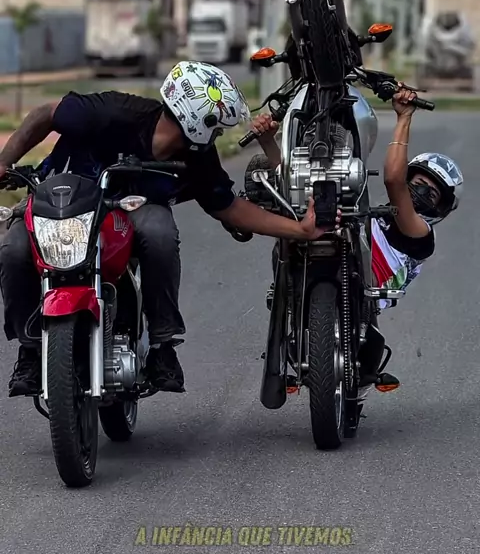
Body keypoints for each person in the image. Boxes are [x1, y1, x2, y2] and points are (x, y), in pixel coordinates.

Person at [0, 61, 338, 399]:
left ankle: (163, 346)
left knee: (159, 231)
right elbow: (45, 114)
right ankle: (29, 351)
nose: (218, 136)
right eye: (217, 128)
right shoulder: (111, 112)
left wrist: (301, 230)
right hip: (63, 201)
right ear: (199, 121)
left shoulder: (197, 158)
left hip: (128, 212)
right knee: (13, 248)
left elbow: (231, 208)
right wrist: (4, 162)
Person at [250, 84, 463, 376]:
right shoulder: (363, 215)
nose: (421, 192)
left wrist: (404, 117)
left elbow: (393, 180)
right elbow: (293, 189)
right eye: (418, 183)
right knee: (301, 211)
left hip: (362, 301)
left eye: (432, 193)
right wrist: (267, 141)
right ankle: (286, 291)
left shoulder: (421, 236)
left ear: (439, 208)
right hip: (321, 270)